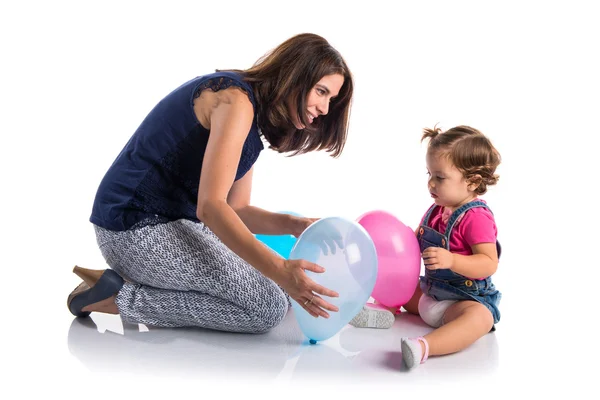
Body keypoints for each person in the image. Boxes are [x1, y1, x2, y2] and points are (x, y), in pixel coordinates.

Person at [66, 33, 354, 334]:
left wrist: (295, 225)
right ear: (295, 75)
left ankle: (138, 286)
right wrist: (281, 270)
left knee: (280, 289)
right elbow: (211, 208)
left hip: (175, 224)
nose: (324, 108)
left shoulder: (253, 116)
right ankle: (117, 297)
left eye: (330, 99)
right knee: (266, 308)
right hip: (131, 229)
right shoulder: (236, 102)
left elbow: (236, 209)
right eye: (321, 91)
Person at [399, 125, 503, 369]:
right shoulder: (437, 209)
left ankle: (424, 346)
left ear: (472, 181)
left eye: (440, 177)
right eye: (429, 175)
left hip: (460, 303)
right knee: (403, 287)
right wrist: (402, 241)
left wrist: (453, 260)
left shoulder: (476, 217)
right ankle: (385, 310)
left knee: (480, 318)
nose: (431, 184)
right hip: (429, 295)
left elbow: (489, 263)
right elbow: (415, 244)